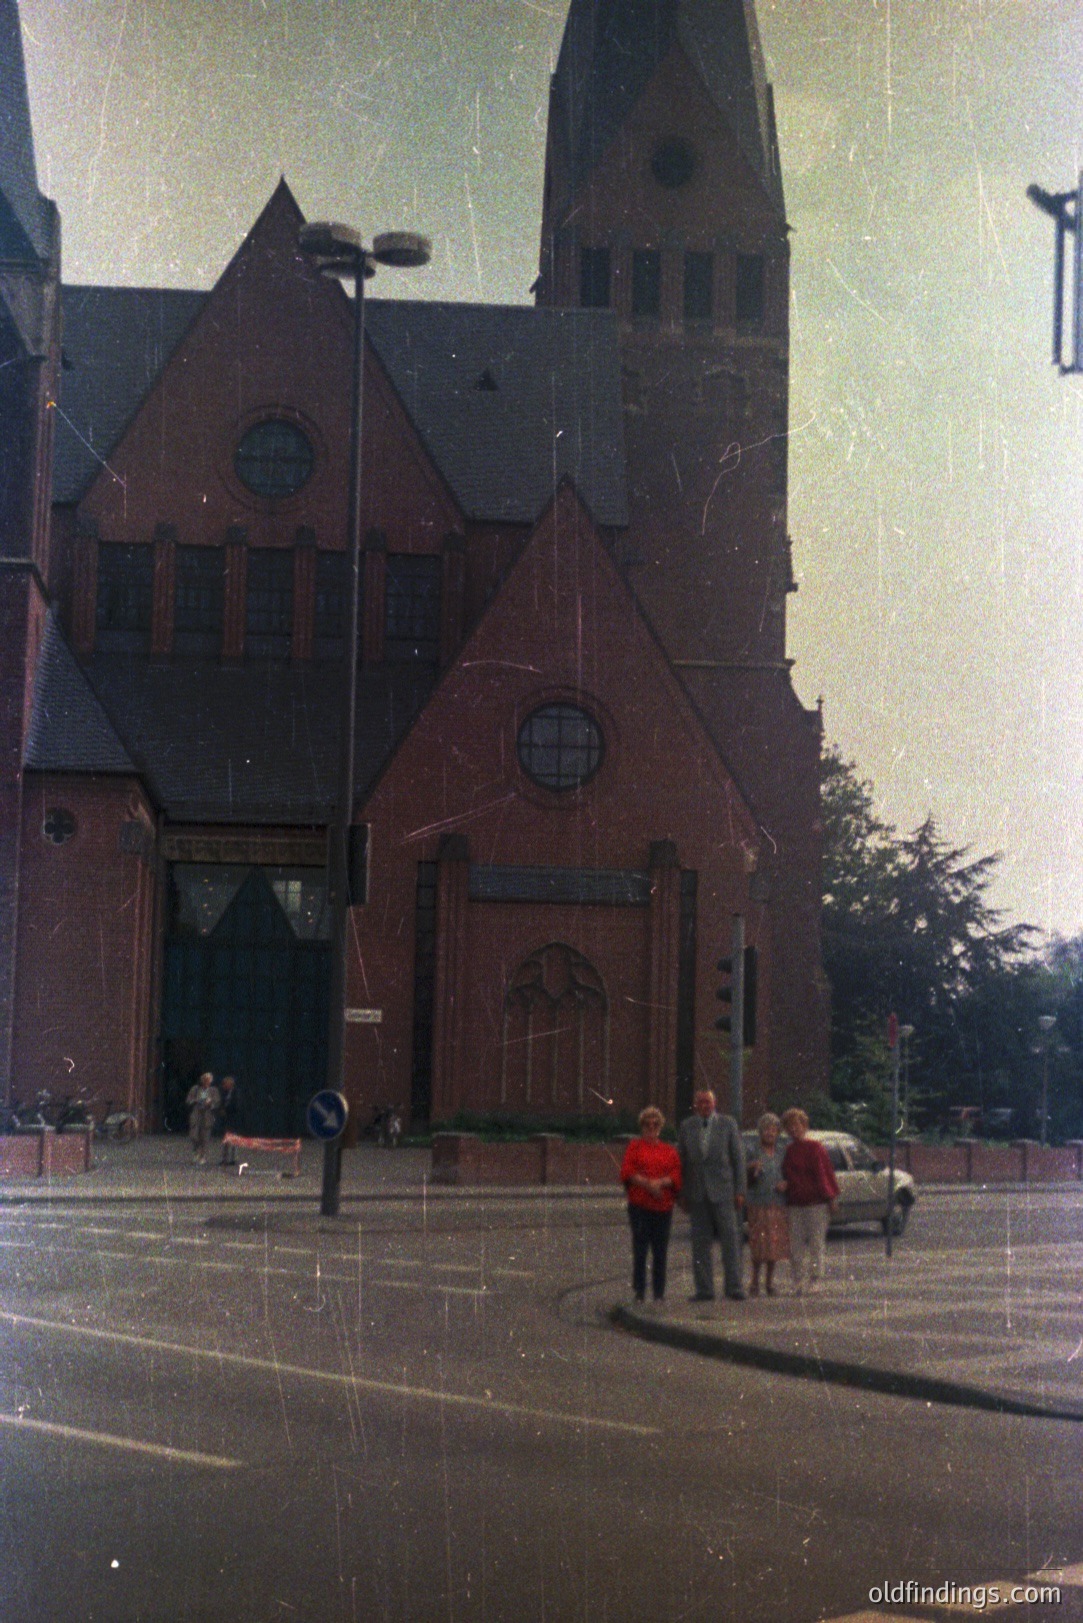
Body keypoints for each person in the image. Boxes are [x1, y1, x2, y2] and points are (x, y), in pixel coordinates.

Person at [677, 1088, 747, 1302]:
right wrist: (682, 1194)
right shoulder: (687, 1126)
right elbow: (681, 1162)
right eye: (700, 1102)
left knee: (731, 1241)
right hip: (697, 1194)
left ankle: (734, 1287)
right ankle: (704, 1290)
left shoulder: (728, 1124)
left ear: (714, 1104)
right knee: (700, 1244)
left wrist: (740, 1190)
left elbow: (739, 1159)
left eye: (708, 1102)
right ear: (695, 1105)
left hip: (724, 1192)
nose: (704, 1106)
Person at [620, 1106, 682, 1309]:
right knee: (640, 1249)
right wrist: (648, 1185)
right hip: (640, 1206)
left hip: (662, 1207)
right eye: (647, 1124)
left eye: (655, 1124)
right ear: (642, 1126)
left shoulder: (669, 1150)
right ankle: (639, 1291)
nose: (651, 1128)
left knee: (660, 1251)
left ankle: (659, 1293)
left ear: (660, 1127)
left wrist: (661, 1184)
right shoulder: (634, 1147)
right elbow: (628, 1171)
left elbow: (675, 1175)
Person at [780, 1107, 839, 1295]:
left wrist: (831, 1198)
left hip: (816, 1204)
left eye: (797, 1125)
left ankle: (815, 1280)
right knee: (795, 1246)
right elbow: (786, 1175)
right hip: (795, 1204)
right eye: (789, 1126)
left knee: (816, 1243)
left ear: (804, 1126)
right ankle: (797, 1280)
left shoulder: (816, 1148)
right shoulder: (789, 1151)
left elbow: (824, 1175)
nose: (793, 1130)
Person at [745, 1111, 790, 1296]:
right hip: (758, 1202)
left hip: (778, 1202)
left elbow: (789, 1174)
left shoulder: (782, 1151)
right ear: (760, 1132)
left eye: (773, 1130)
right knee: (758, 1243)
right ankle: (754, 1281)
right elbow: (744, 1176)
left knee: (773, 1245)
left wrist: (786, 1184)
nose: (770, 1133)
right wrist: (751, 1168)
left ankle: (770, 1283)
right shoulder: (752, 1150)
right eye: (766, 1130)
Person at [185, 1071, 220, 1166]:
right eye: (205, 1080)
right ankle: (196, 1151)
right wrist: (196, 1101)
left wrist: (210, 1103)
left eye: (208, 1081)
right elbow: (188, 1100)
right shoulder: (195, 1089)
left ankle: (203, 1156)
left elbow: (217, 1103)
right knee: (194, 1135)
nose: (206, 1082)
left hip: (207, 1116)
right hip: (196, 1114)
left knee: (205, 1138)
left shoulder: (213, 1091)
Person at [218, 1075, 241, 1166]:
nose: (223, 1086)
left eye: (225, 1084)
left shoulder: (236, 1093)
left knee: (233, 1140)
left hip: (234, 1119)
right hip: (226, 1119)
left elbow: (237, 1105)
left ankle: (233, 1158)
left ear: (230, 1084)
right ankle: (225, 1159)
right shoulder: (223, 1093)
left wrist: (226, 1109)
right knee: (226, 1140)